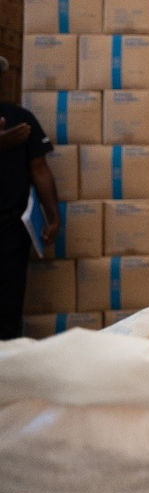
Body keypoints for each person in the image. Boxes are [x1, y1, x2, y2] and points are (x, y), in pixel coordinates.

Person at [1, 60, 61, 340]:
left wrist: (53, 216)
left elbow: (40, 170)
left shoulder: (20, 119)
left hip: (10, 229)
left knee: (8, 305)